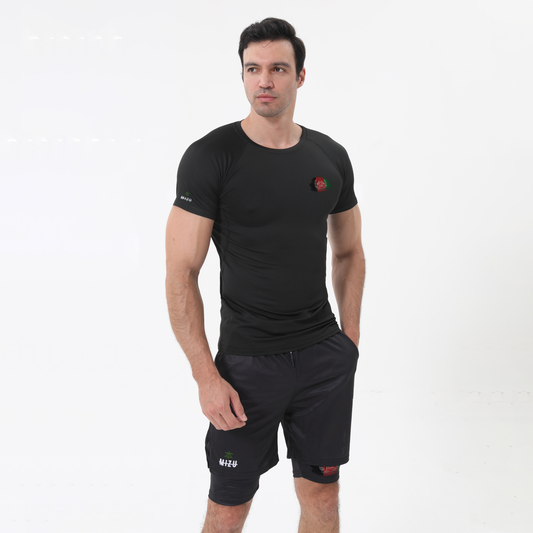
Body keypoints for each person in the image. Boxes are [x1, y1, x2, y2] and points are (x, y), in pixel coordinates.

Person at [165, 17, 365, 533]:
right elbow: (181, 272)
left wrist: (349, 340)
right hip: (247, 367)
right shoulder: (211, 157)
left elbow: (349, 252)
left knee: (323, 496)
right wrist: (206, 376)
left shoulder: (330, 156)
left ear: (300, 76)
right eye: (252, 69)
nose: (264, 80)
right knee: (228, 506)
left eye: (277, 68)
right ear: (242, 76)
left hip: (323, 359)